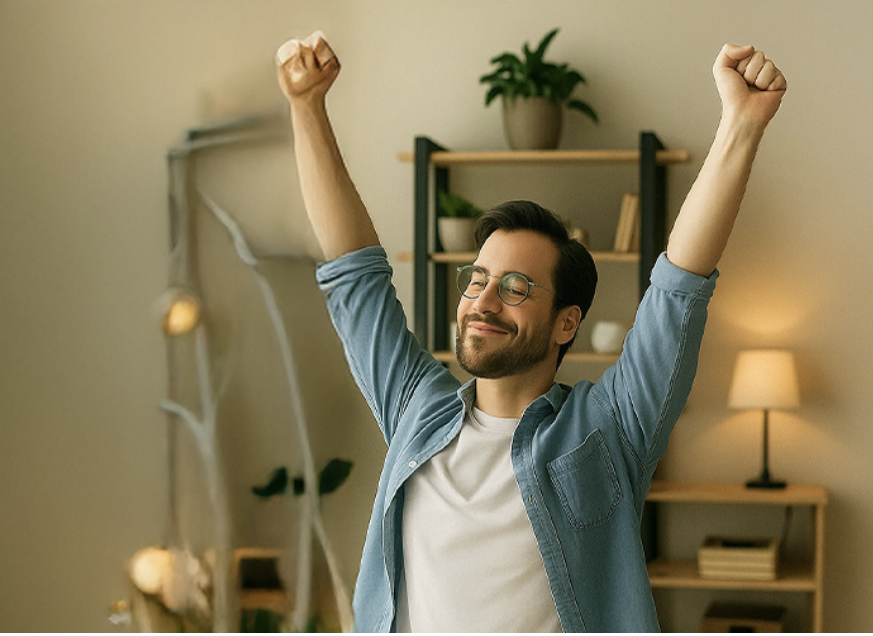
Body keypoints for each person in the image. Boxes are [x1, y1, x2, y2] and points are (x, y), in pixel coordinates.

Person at [275, 30, 786, 633]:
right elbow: (354, 274)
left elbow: (678, 289)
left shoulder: (609, 428)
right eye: (477, 279)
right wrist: (306, 108)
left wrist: (741, 124)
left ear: (566, 322)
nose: (484, 301)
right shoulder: (417, 410)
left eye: (516, 287)